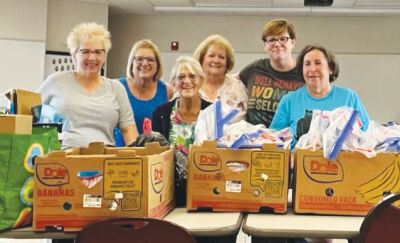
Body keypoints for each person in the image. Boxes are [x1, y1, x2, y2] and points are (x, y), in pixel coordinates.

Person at [38, 22, 138, 150]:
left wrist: (138, 159)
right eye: (85, 52)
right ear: (74, 55)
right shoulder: (54, 82)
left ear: (105, 55)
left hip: (104, 162)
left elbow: (129, 131)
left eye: (98, 52)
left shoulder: (116, 88)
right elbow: (30, 116)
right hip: (61, 161)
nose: (92, 57)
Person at [270, 44, 370, 149]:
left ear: (330, 69)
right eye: (307, 64)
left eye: (318, 63)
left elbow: (367, 137)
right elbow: (274, 142)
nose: (312, 69)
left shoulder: (349, 97)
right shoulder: (289, 101)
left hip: (341, 164)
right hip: (298, 163)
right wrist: (288, 156)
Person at [152, 56, 211, 206]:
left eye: (192, 76)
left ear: (201, 80)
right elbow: (157, 155)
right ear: (173, 83)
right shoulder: (161, 113)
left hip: (205, 187)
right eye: (181, 77)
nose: (187, 81)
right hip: (169, 190)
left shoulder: (213, 112)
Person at [238, 19, 305, 127]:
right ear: (265, 45)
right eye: (271, 40)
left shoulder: (305, 73)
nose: (277, 44)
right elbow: (228, 81)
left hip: (290, 141)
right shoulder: (254, 69)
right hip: (255, 141)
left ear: (292, 42)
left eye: (283, 39)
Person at [118, 39, 174, 135]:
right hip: (120, 149)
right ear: (132, 63)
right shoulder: (118, 87)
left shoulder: (167, 91)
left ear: (158, 64)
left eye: (150, 60)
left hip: (155, 149)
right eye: (139, 59)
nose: (144, 64)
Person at [194, 34, 247, 119]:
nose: (216, 60)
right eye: (211, 55)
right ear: (201, 59)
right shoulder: (190, 85)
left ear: (227, 62)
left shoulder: (238, 87)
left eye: (222, 57)